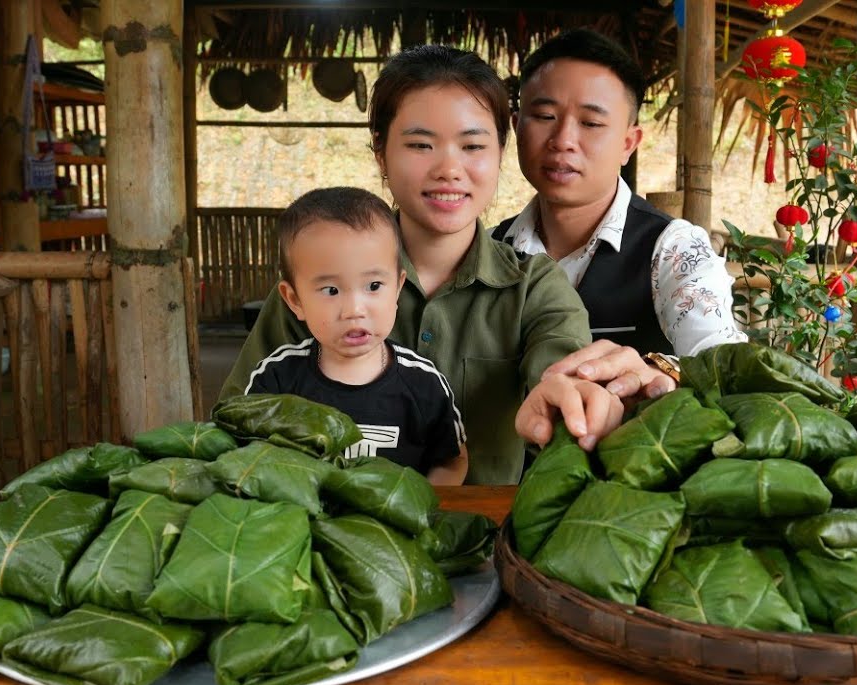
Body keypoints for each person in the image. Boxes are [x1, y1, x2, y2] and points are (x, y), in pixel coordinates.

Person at [222, 45, 635, 485]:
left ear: (500, 151)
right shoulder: (319, 282)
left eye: (473, 145)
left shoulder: (533, 288)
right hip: (324, 525)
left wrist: (570, 392)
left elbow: (562, 368)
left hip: (479, 529)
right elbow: (236, 420)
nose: (449, 169)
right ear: (380, 151)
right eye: (421, 144)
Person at [491, 28, 748, 357]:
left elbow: (720, 363)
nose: (563, 140)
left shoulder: (673, 250)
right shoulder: (487, 248)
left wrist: (657, 373)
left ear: (628, 143)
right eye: (545, 116)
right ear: (516, 127)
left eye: (591, 123)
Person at [241, 187, 468, 485]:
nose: (354, 310)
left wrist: (421, 501)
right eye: (331, 290)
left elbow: (452, 461)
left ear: (397, 288)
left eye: (373, 286)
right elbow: (247, 459)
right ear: (294, 300)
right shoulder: (276, 379)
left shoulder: (424, 384)